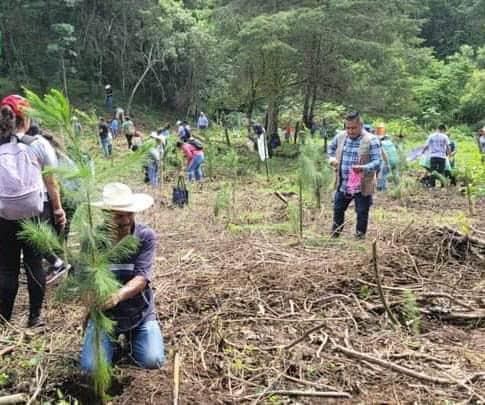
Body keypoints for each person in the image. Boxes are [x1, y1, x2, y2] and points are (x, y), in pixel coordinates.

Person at [80, 183, 164, 371]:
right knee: (91, 368)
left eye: (130, 214)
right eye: (119, 216)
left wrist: (118, 295)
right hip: (104, 316)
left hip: (139, 312)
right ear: (107, 215)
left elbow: (142, 278)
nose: (126, 220)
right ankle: (113, 347)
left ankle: (135, 342)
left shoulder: (145, 236)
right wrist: (88, 303)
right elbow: (84, 280)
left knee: (153, 360)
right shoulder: (93, 240)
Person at [0, 95, 66, 327]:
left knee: (7, 267)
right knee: (34, 263)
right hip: (35, 213)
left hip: (4, 215)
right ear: (25, 117)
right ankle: (34, 317)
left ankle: (4, 321)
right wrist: (58, 210)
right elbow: (51, 183)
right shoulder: (37, 143)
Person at [328, 111, 381, 239]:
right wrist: (331, 159)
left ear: (361, 126)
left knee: (362, 212)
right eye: (348, 128)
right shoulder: (341, 137)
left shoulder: (371, 140)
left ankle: (359, 237)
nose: (350, 131)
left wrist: (363, 168)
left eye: (353, 128)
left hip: (362, 185)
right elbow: (330, 149)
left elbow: (377, 162)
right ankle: (335, 235)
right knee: (338, 209)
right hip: (343, 183)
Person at [375, 123, 398, 191]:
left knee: (383, 175)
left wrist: (386, 162)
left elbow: (383, 154)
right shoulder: (390, 142)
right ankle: (397, 186)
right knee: (393, 174)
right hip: (395, 160)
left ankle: (382, 189)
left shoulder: (380, 143)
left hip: (387, 160)